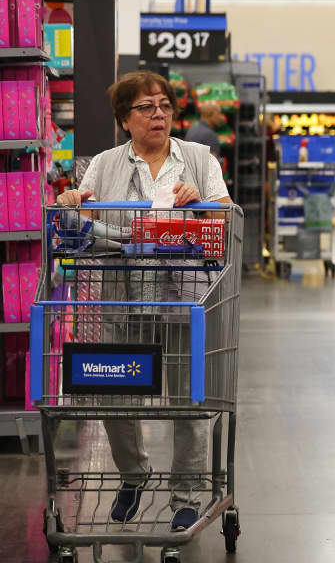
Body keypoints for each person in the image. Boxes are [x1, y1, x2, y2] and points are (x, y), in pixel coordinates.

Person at [56, 70, 233, 531]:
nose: (158, 114)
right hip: (122, 299)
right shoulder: (104, 164)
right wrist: (72, 201)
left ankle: (186, 495)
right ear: (124, 119)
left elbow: (226, 214)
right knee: (113, 398)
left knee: (188, 402)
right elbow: (81, 208)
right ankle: (134, 474)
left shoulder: (199, 158)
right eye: (146, 107)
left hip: (184, 300)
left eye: (164, 106)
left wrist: (203, 202)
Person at [184, 102, 225, 169]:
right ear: (210, 114)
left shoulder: (191, 130)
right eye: (219, 113)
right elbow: (211, 167)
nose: (221, 117)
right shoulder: (210, 135)